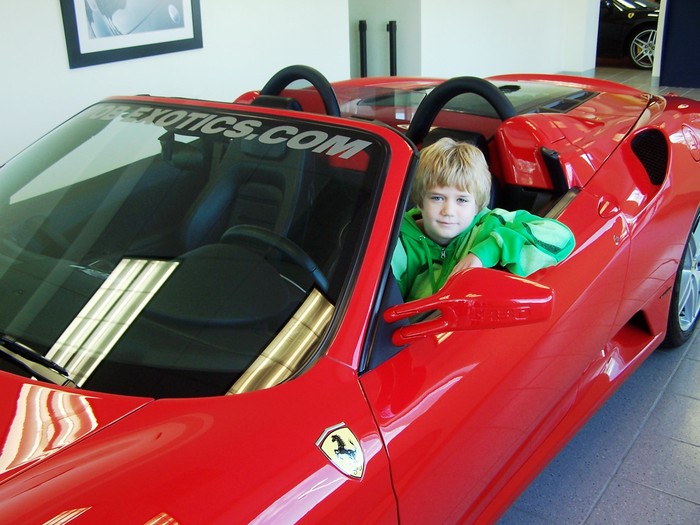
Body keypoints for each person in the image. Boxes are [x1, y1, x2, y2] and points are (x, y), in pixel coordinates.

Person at [391, 137, 575, 301]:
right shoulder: (398, 239)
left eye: (462, 200)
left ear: (477, 205)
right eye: (437, 198)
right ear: (420, 201)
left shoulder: (489, 223)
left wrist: (486, 252)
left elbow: (561, 237)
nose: (448, 211)